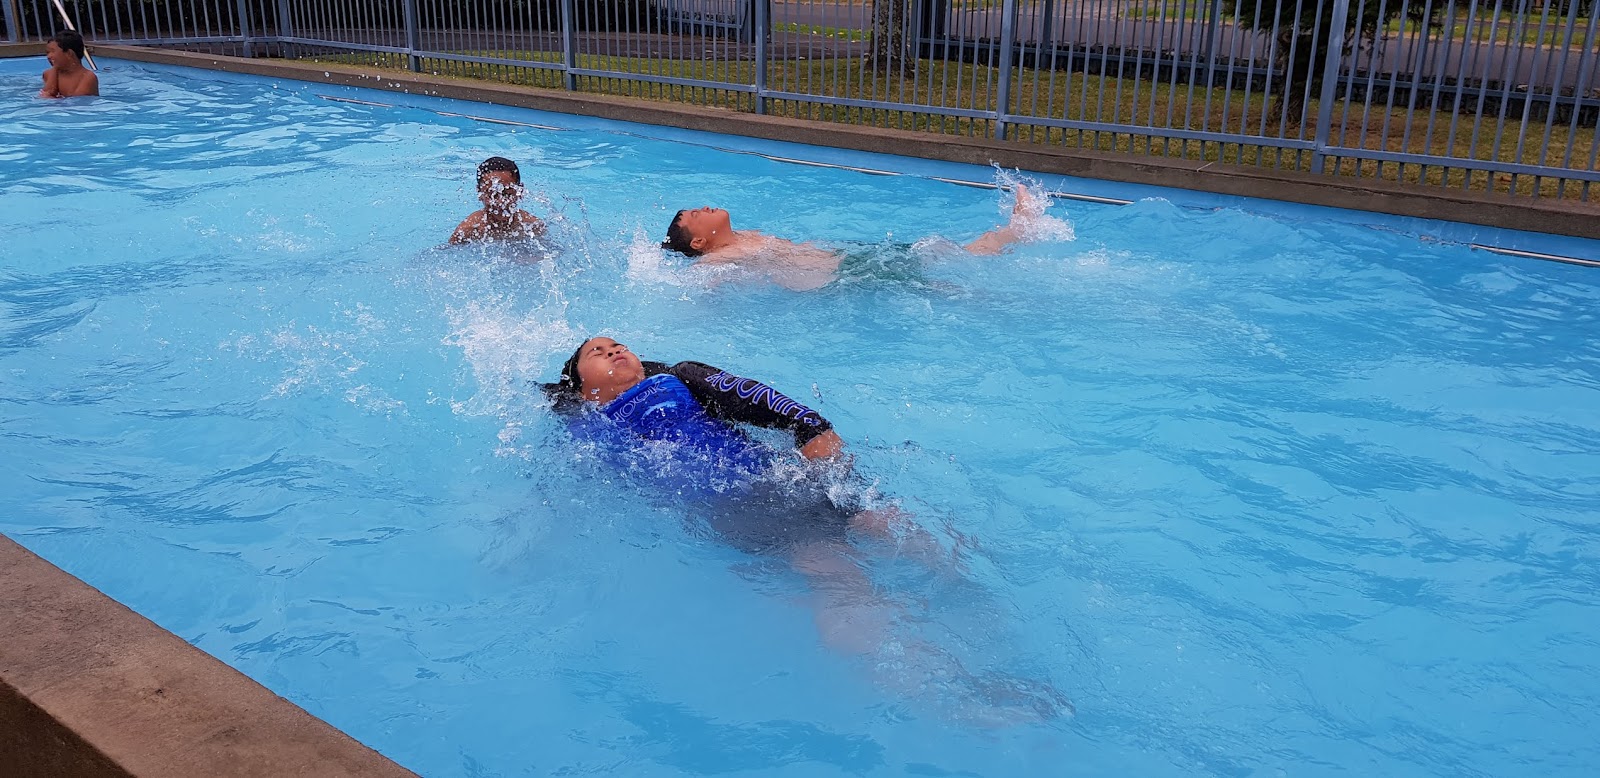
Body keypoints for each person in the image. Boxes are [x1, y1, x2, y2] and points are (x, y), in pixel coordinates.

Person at [540, 336, 1071, 722]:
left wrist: (812, 430)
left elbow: (751, 397)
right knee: (841, 581)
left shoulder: (678, 378)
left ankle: (993, 610)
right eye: (596, 352)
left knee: (909, 532)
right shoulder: (590, 425)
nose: (612, 349)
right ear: (584, 389)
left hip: (783, 479)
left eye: (616, 343)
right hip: (743, 506)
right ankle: (941, 691)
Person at [660, 185, 1046, 291]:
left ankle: (1013, 235)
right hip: (842, 279)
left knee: (933, 261)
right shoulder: (721, 257)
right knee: (936, 255)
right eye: (696, 215)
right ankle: (1016, 232)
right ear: (698, 243)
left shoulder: (745, 236)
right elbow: (703, 280)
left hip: (848, 264)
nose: (704, 207)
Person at [449, 156, 547, 245]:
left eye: (507, 194)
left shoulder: (532, 226)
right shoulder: (468, 230)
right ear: (479, 192)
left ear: (519, 191)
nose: (500, 202)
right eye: (492, 195)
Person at [38, 30, 99, 99]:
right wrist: (55, 69)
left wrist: (51, 98)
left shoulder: (87, 77)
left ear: (69, 54)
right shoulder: (48, 74)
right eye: (47, 52)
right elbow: (46, 95)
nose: (48, 56)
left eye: (52, 51)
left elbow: (78, 102)